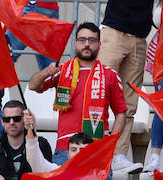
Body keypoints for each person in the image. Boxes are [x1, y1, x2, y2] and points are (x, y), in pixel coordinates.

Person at [28, 23, 129, 166]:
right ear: (75, 44)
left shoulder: (110, 75)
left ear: (99, 45)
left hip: (97, 149)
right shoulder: (61, 70)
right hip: (65, 148)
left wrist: (110, 144)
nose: (87, 44)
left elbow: (121, 113)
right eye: (82, 40)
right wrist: (46, 71)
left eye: (92, 40)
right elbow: (33, 85)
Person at [0, 100, 54, 180]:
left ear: (24, 120)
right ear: (2, 121)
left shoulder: (41, 144)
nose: (12, 122)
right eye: (7, 119)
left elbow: (46, 175)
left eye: (16, 118)